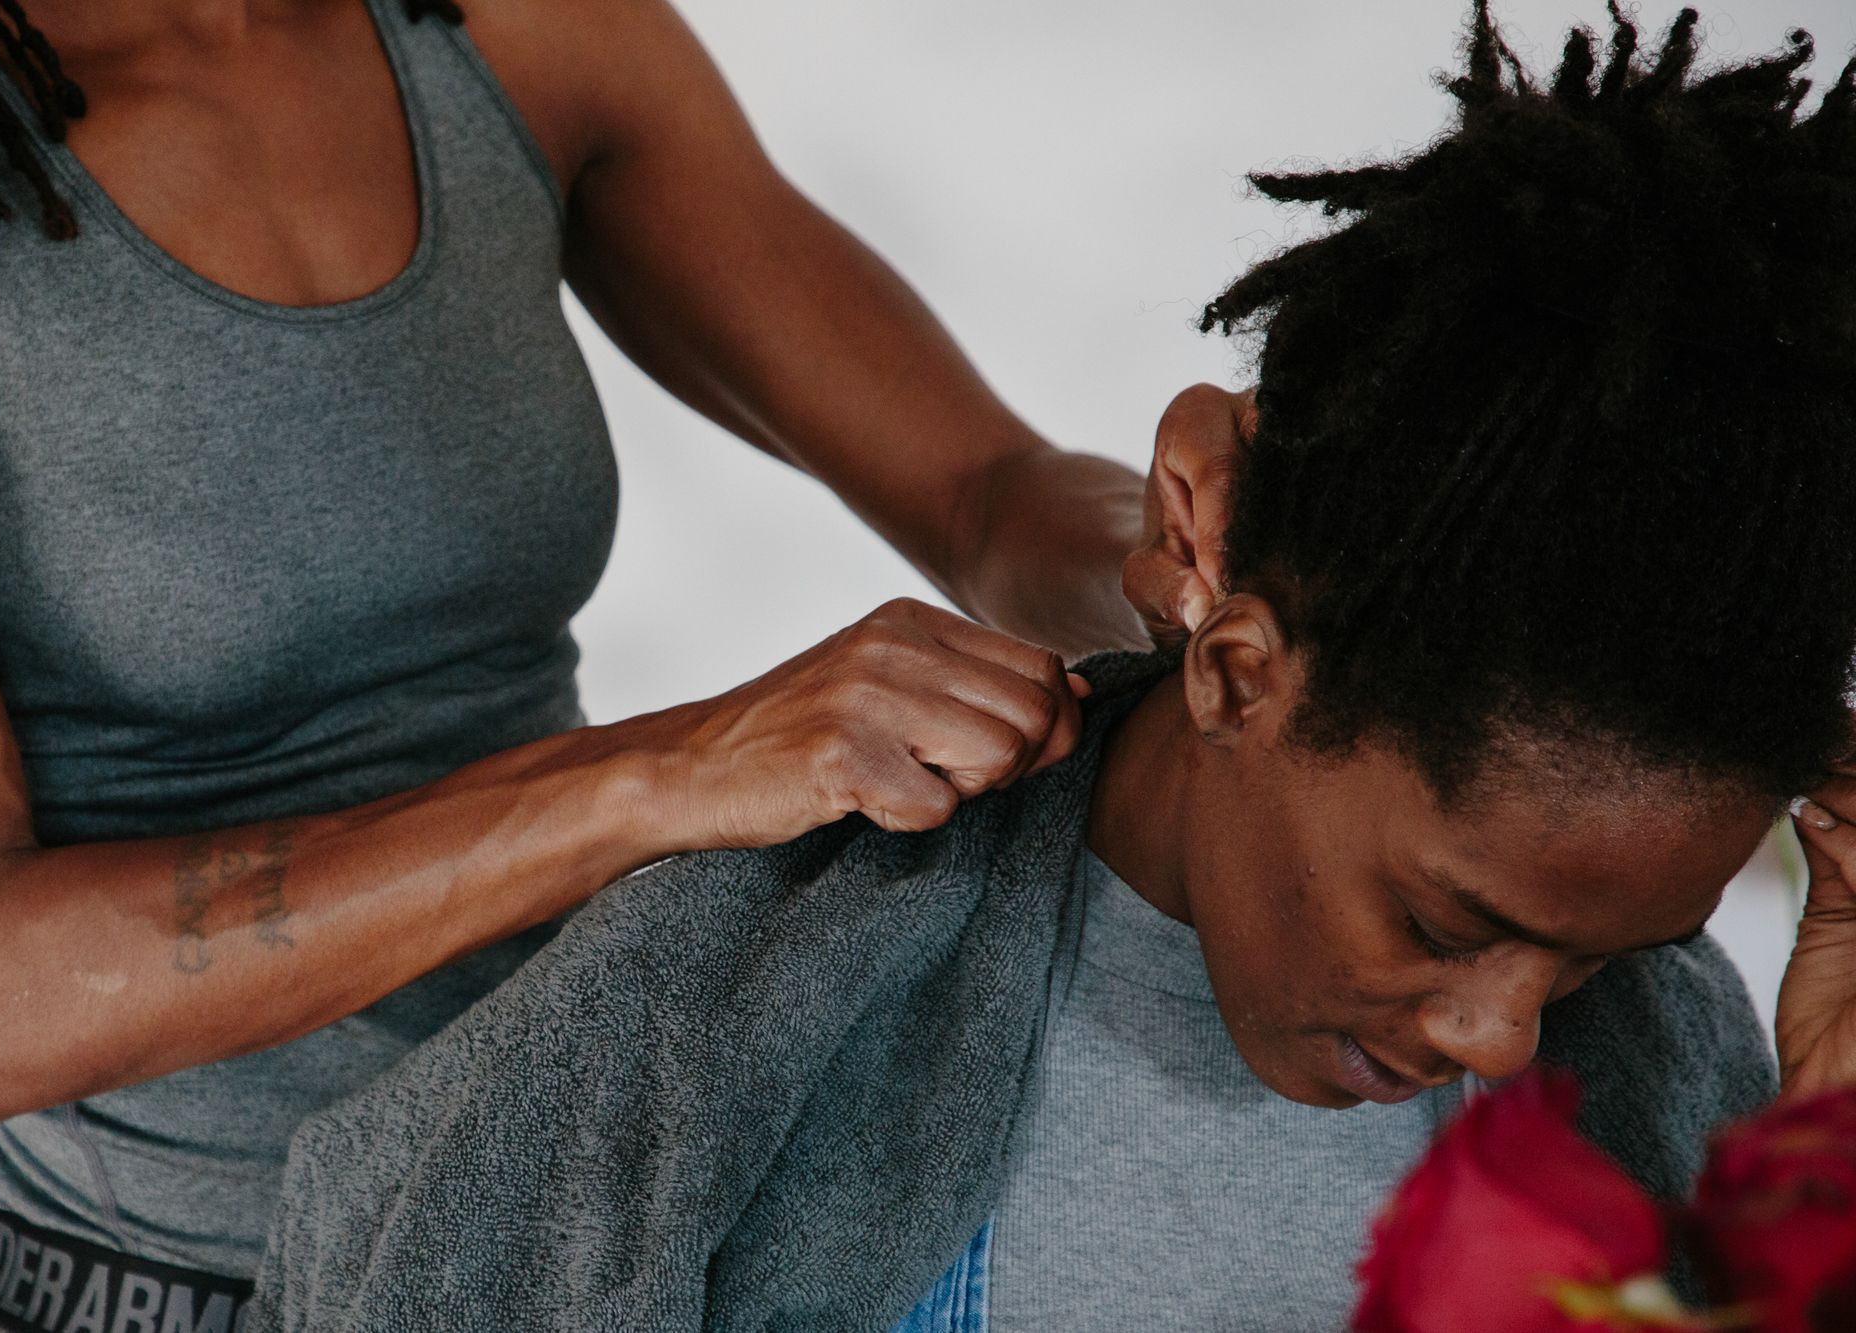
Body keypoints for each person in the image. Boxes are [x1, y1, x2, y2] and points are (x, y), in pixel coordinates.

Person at [232, 6, 1856, 1331]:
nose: (1506, 1034)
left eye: (1593, 960)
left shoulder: (1671, 1086)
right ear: (1231, 671)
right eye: (1446, 923)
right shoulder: (741, 1008)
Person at [0, 0, 1237, 1323]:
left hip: (565, 1249)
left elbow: (984, 491)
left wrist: (1183, 548)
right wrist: (656, 776)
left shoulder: (506, 35)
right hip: (164, 1290)